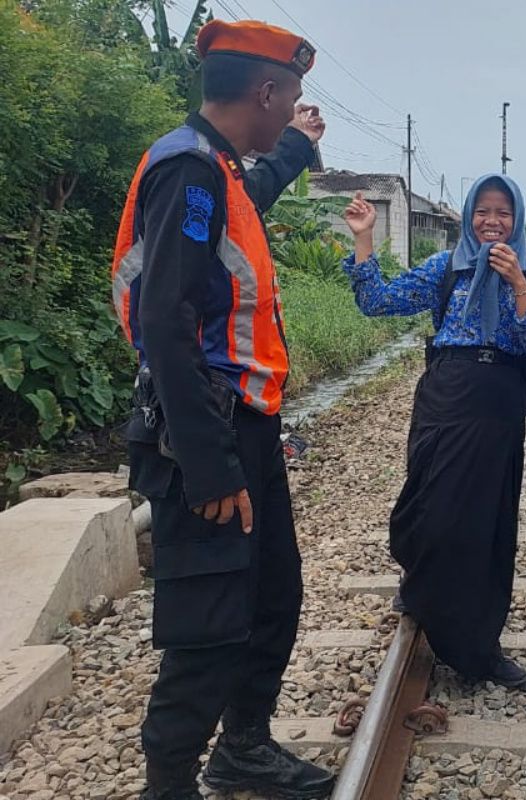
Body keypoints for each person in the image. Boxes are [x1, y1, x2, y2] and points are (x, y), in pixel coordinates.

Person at [110, 19, 333, 800]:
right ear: (265, 91)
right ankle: (166, 784)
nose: (293, 108)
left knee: (272, 597)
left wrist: (298, 149)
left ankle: (243, 747)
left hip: (247, 423)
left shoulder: (222, 171)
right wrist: (207, 465)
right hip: (202, 429)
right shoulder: (188, 172)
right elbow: (167, 325)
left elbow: (255, 195)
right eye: (293, 98)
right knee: (208, 624)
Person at [341, 175, 526, 689]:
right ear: (467, 216)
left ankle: (476, 646)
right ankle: (422, 585)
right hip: (444, 392)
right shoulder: (447, 268)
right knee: (426, 508)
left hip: (497, 402)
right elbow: (379, 302)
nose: (492, 222)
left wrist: (517, 286)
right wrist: (364, 238)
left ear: (517, 219)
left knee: (483, 523)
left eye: (503, 213)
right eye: (483, 211)